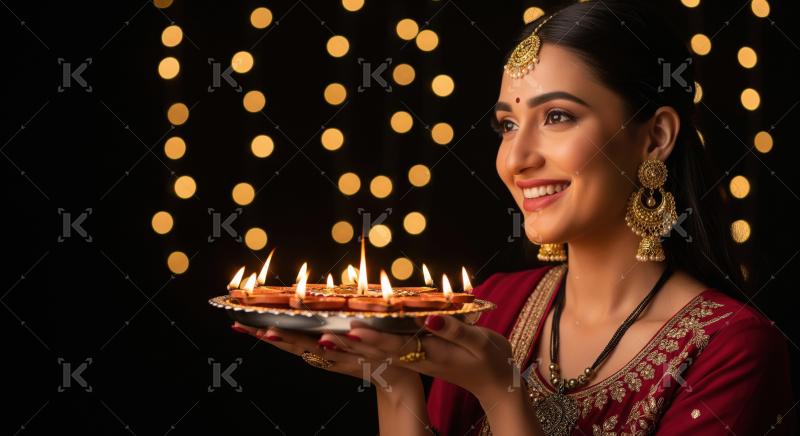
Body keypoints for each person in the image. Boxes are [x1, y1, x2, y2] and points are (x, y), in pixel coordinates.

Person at [232, 1, 796, 434]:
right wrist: (394, 376)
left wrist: (502, 394)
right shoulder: (491, 309)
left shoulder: (732, 350)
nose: (517, 158)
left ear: (655, 137)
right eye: (506, 125)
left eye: (556, 116)